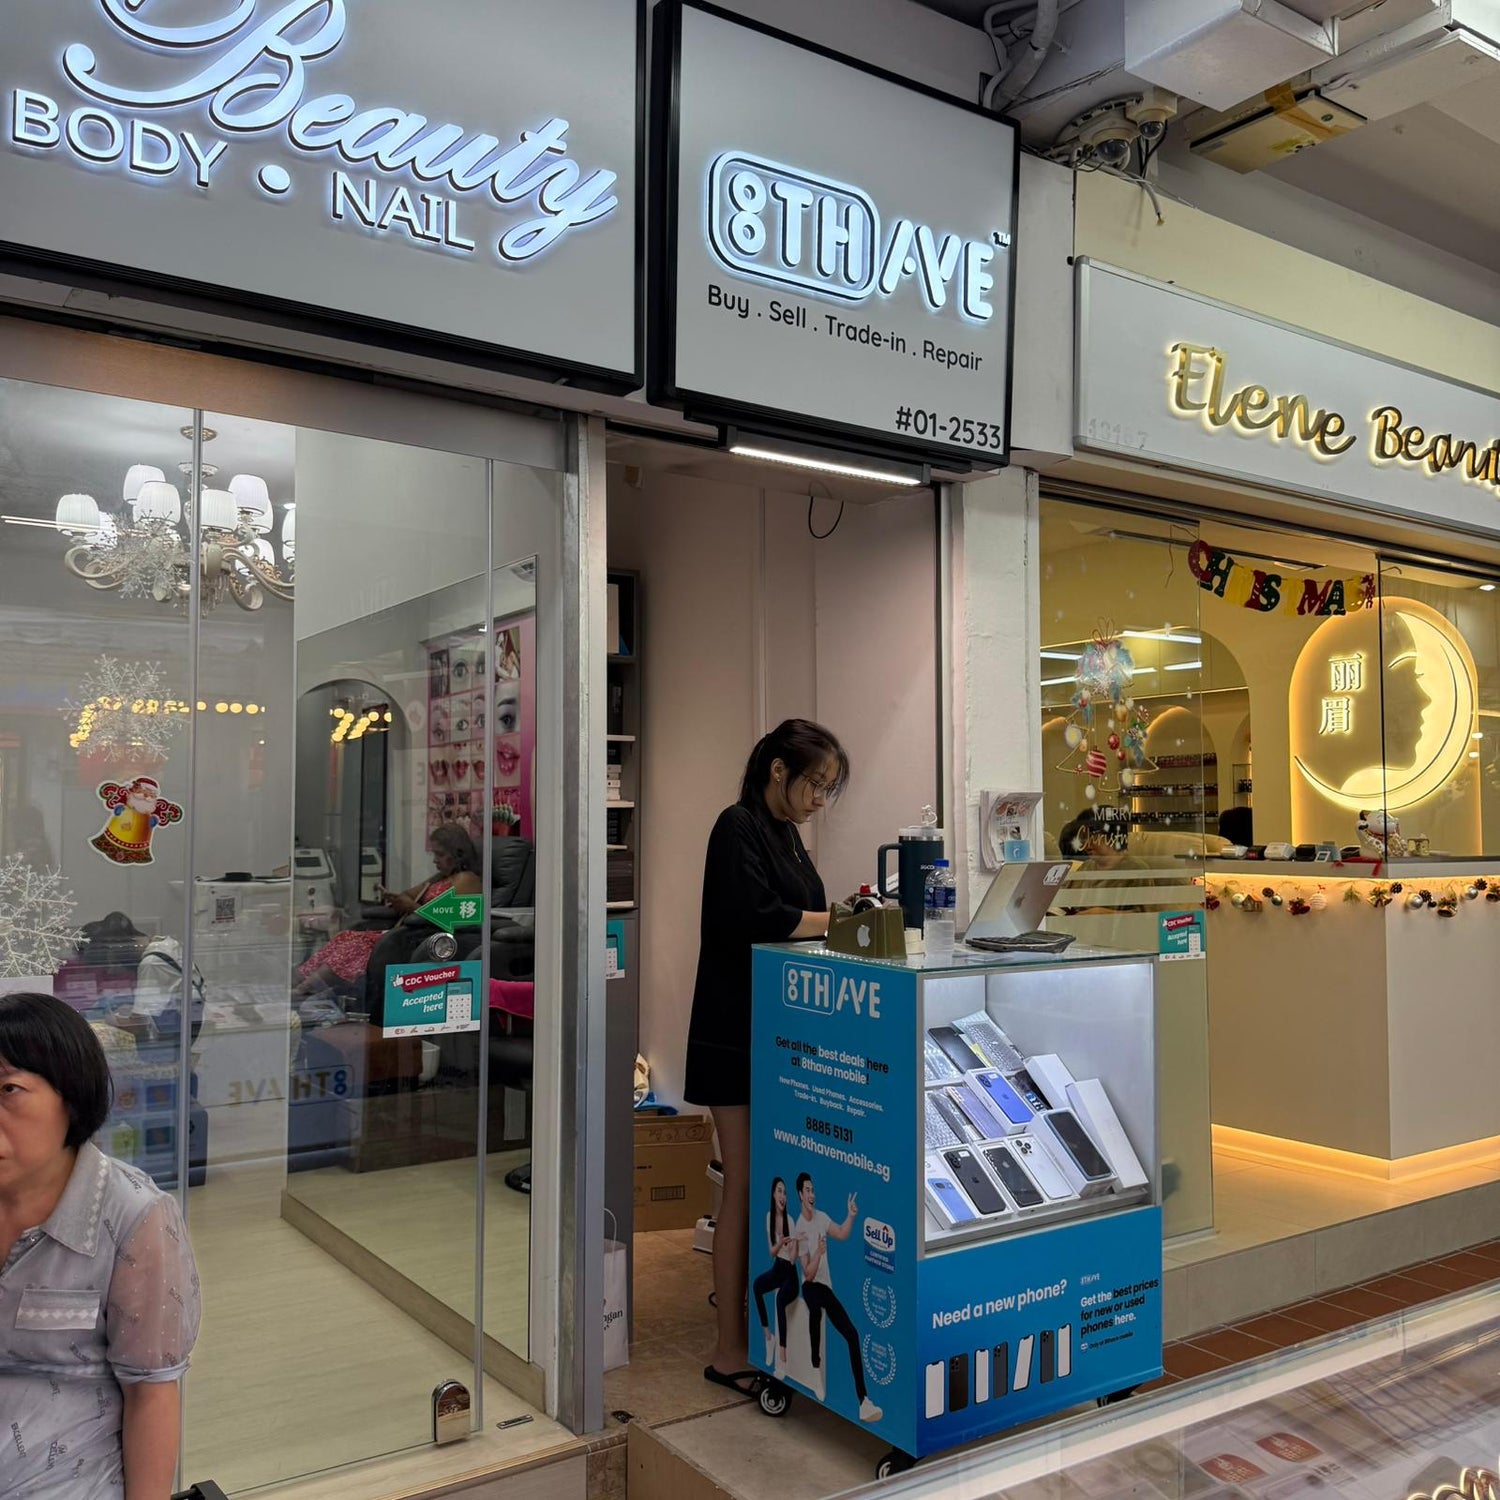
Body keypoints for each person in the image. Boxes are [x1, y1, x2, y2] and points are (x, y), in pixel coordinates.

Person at [687, 719, 846, 1396]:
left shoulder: (787, 837)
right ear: (778, 770)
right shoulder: (737, 826)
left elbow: (799, 912)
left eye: (829, 790)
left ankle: (749, 1320)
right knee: (746, 1186)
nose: (819, 799)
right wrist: (842, 920)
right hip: (733, 1031)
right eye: (814, 783)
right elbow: (758, 916)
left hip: (777, 1032)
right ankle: (729, 1354)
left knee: (773, 1190)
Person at [0, 991, 200, 1498]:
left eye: (8, 1089)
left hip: (63, 1474)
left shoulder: (135, 1219)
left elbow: (152, 1396)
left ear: (70, 1095)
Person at [295, 824, 482, 996]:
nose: (435, 860)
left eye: (440, 854)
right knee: (346, 937)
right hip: (411, 932)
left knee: (357, 945)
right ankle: (299, 979)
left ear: (457, 853)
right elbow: (407, 895)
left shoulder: (466, 880)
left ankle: (306, 987)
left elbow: (451, 918)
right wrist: (406, 903)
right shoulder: (441, 878)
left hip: (429, 940)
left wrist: (412, 908)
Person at [792, 1173, 881, 1423]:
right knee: (816, 1312)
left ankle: (863, 1400)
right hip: (810, 1287)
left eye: (813, 1189)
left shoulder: (821, 1218)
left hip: (825, 1287)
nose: (812, 1194)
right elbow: (807, 1274)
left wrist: (851, 1215)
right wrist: (819, 1254)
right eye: (807, 1190)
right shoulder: (799, 1229)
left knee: (852, 1334)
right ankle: (815, 1369)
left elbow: (841, 1233)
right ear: (800, 1194)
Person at [751, 1177, 799, 1369]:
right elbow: (772, 1251)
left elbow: (794, 1259)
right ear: (773, 1194)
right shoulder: (769, 1217)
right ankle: (768, 1337)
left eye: (785, 1193)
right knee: (756, 1286)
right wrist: (781, 1242)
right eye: (780, 1191)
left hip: (790, 1271)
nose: (783, 1196)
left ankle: (782, 1351)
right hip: (778, 1267)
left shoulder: (790, 1220)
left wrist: (795, 1244)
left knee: (780, 1301)